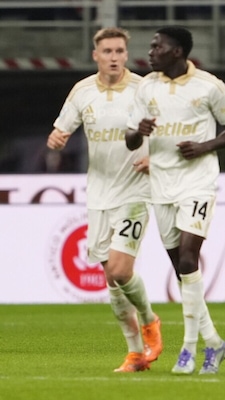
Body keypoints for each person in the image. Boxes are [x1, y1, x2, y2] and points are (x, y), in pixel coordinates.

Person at [126, 26, 225, 375]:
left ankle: (189, 349)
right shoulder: (146, 86)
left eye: (157, 46)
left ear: (177, 51)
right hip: (161, 185)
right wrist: (138, 132)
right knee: (182, 268)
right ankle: (215, 342)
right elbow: (130, 139)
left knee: (190, 258)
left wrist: (205, 146)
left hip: (198, 183)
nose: (151, 52)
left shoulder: (209, 85)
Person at [46, 27, 163, 373]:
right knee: (111, 279)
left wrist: (156, 158)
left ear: (127, 55)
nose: (114, 57)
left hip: (136, 191)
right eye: (107, 51)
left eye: (119, 51)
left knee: (120, 269)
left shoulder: (144, 89)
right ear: (95, 55)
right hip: (98, 195)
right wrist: (56, 139)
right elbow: (61, 130)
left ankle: (149, 320)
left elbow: (171, 131)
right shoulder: (82, 91)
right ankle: (135, 354)